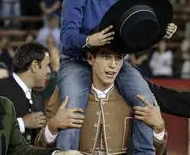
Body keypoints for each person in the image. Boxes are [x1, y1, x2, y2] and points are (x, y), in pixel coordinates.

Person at [58, 0, 177, 153]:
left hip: (113, 59)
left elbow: (135, 38)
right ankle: (67, 152)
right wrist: (88, 40)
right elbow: (66, 37)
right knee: (72, 106)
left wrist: (160, 32)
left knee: (146, 100)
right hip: (76, 60)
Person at [34, 45, 167, 154]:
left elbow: (157, 151)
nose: (113, 65)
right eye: (106, 57)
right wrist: (52, 126)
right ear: (90, 58)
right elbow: (39, 146)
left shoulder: (135, 96)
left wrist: (159, 129)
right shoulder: (65, 92)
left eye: (118, 58)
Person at [0, 42, 54, 145]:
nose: (49, 70)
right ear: (34, 66)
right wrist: (21, 123)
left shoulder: (37, 97)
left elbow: (38, 142)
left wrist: (54, 126)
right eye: (47, 65)